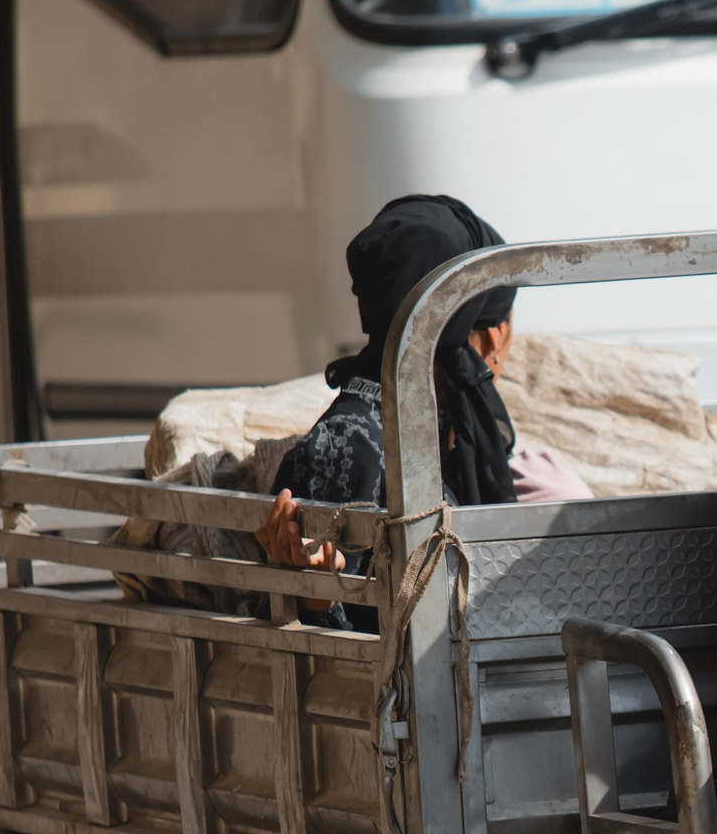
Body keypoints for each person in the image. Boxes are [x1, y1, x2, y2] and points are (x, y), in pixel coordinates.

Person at [252, 194, 587, 611]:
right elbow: (334, 635)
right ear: (490, 337)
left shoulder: (441, 434)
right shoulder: (350, 442)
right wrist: (317, 593)